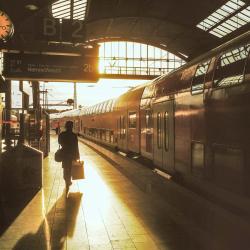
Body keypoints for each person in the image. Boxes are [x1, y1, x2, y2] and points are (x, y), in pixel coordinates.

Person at [58, 121, 80, 192]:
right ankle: (68, 181)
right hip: (72, 154)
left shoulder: (62, 134)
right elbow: (76, 146)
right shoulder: (74, 135)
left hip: (64, 154)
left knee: (65, 168)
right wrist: (78, 155)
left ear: (66, 126)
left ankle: (67, 181)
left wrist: (64, 145)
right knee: (70, 169)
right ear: (72, 127)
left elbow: (59, 142)